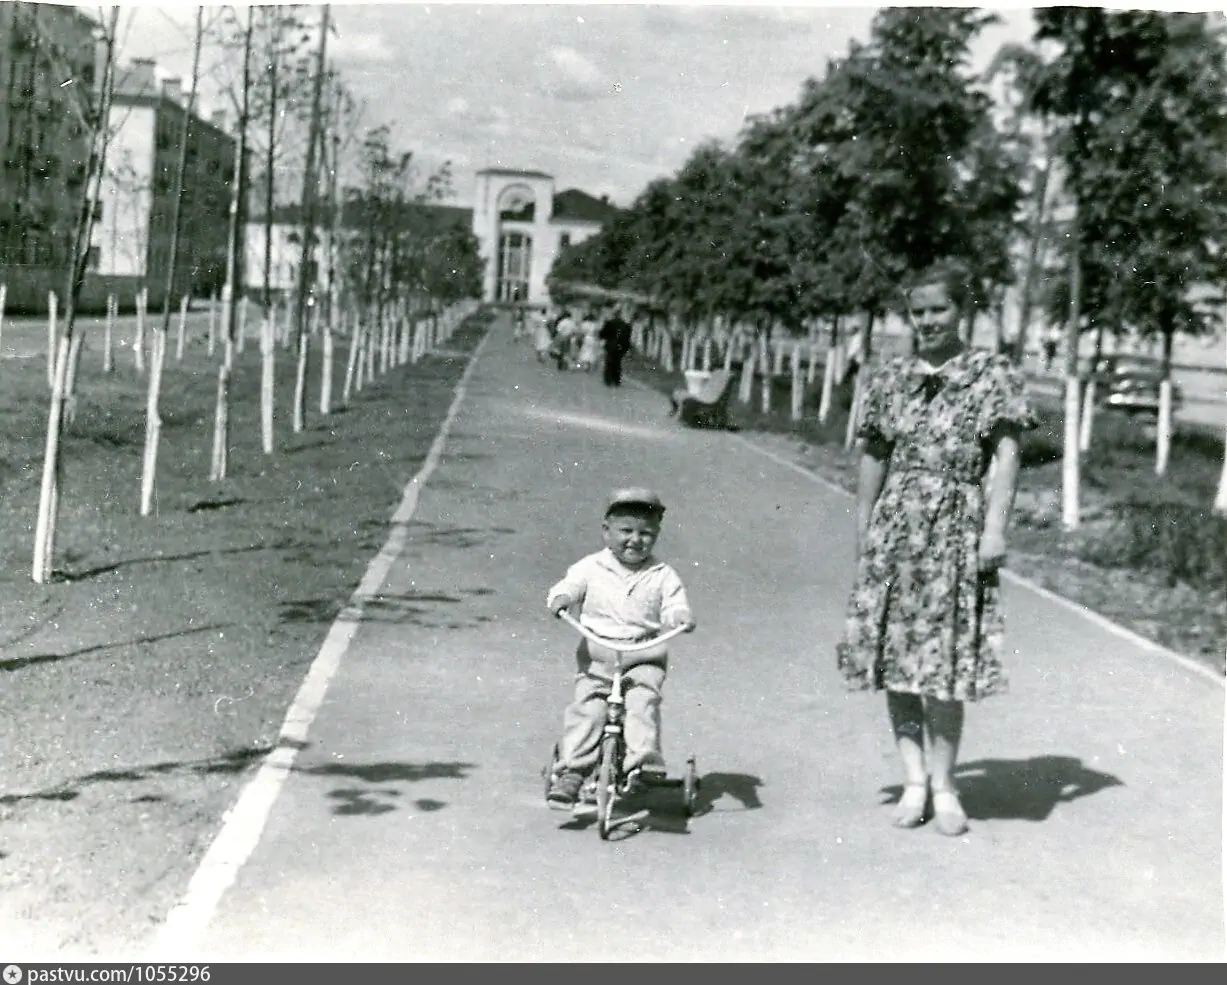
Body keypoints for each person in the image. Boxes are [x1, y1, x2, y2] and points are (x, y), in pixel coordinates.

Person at [835, 260, 1036, 837]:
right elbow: (873, 456)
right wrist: (865, 529)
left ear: (962, 310)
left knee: (943, 665)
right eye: (917, 311)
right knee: (898, 659)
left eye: (938, 309)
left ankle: (946, 787)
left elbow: (1007, 457)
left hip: (957, 525)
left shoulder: (991, 373)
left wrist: (995, 530)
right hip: (898, 526)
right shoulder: (890, 376)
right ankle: (913, 780)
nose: (926, 321)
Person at [545, 487, 696, 810]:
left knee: (642, 704)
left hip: (644, 653)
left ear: (656, 535)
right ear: (606, 531)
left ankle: (642, 764)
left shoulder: (662, 574)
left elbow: (673, 603)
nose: (635, 540)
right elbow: (570, 586)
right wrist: (562, 599)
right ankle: (573, 770)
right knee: (589, 709)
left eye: (646, 533)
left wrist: (679, 616)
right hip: (599, 653)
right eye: (626, 531)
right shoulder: (591, 567)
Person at [598, 306, 633, 386]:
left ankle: (608, 380)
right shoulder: (625, 325)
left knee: (609, 362)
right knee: (618, 363)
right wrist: (626, 348)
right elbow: (627, 337)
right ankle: (616, 380)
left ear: (614, 314)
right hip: (620, 347)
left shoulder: (609, 323)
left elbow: (602, 334)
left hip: (610, 345)